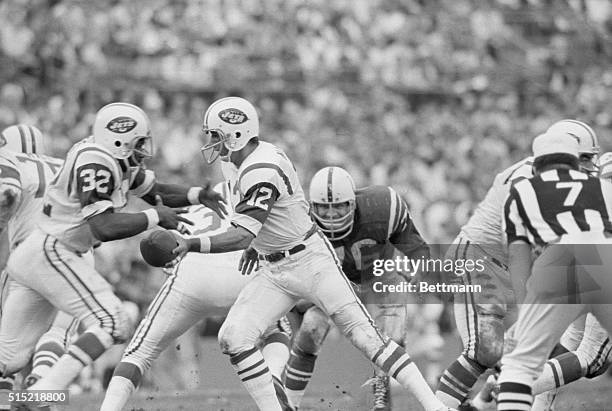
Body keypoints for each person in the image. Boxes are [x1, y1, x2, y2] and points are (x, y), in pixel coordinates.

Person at [170, 96, 454, 411]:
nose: (208, 141)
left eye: (214, 134)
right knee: (233, 336)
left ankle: (435, 407)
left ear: (234, 134)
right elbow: (259, 221)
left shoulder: (262, 167)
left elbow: (241, 233)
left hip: (310, 261)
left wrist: (190, 244)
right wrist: (255, 244)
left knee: (368, 338)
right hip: (276, 268)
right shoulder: (233, 162)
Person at [0, 102, 226, 401]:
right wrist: (155, 217)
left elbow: (155, 190)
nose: (145, 147)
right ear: (119, 139)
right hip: (54, 250)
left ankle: (29, 397)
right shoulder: (96, 163)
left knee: (9, 358)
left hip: (40, 252)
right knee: (113, 320)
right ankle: (43, 392)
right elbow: (103, 227)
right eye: (139, 141)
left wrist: (197, 195)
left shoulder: (112, 158)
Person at [434, 119, 603, 410]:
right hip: (480, 258)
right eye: (584, 158)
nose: (590, 165)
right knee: (484, 352)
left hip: (509, 264)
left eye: (591, 157)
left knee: (543, 346)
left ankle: (492, 401)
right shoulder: (531, 180)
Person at [100, 184, 293, 411]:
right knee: (277, 330)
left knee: (138, 354)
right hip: (241, 271)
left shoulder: (191, 204)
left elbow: (162, 243)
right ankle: (272, 374)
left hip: (192, 272)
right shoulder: (248, 191)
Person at [281, 166, 431, 411]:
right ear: (311, 206)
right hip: (334, 282)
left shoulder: (382, 206)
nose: (331, 214)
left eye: (338, 206)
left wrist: (417, 270)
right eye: (323, 207)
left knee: (392, 336)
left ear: (353, 203)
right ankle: (288, 403)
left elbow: (417, 248)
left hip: (379, 276)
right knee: (311, 329)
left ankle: (381, 396)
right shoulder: (300, 222)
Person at [496, 130, 612, 411]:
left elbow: (519, 256)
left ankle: (515, 391)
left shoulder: (522, 192)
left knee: (562, 348)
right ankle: (509, 390)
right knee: (590, 358)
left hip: (562, 263)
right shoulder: (598, 183)